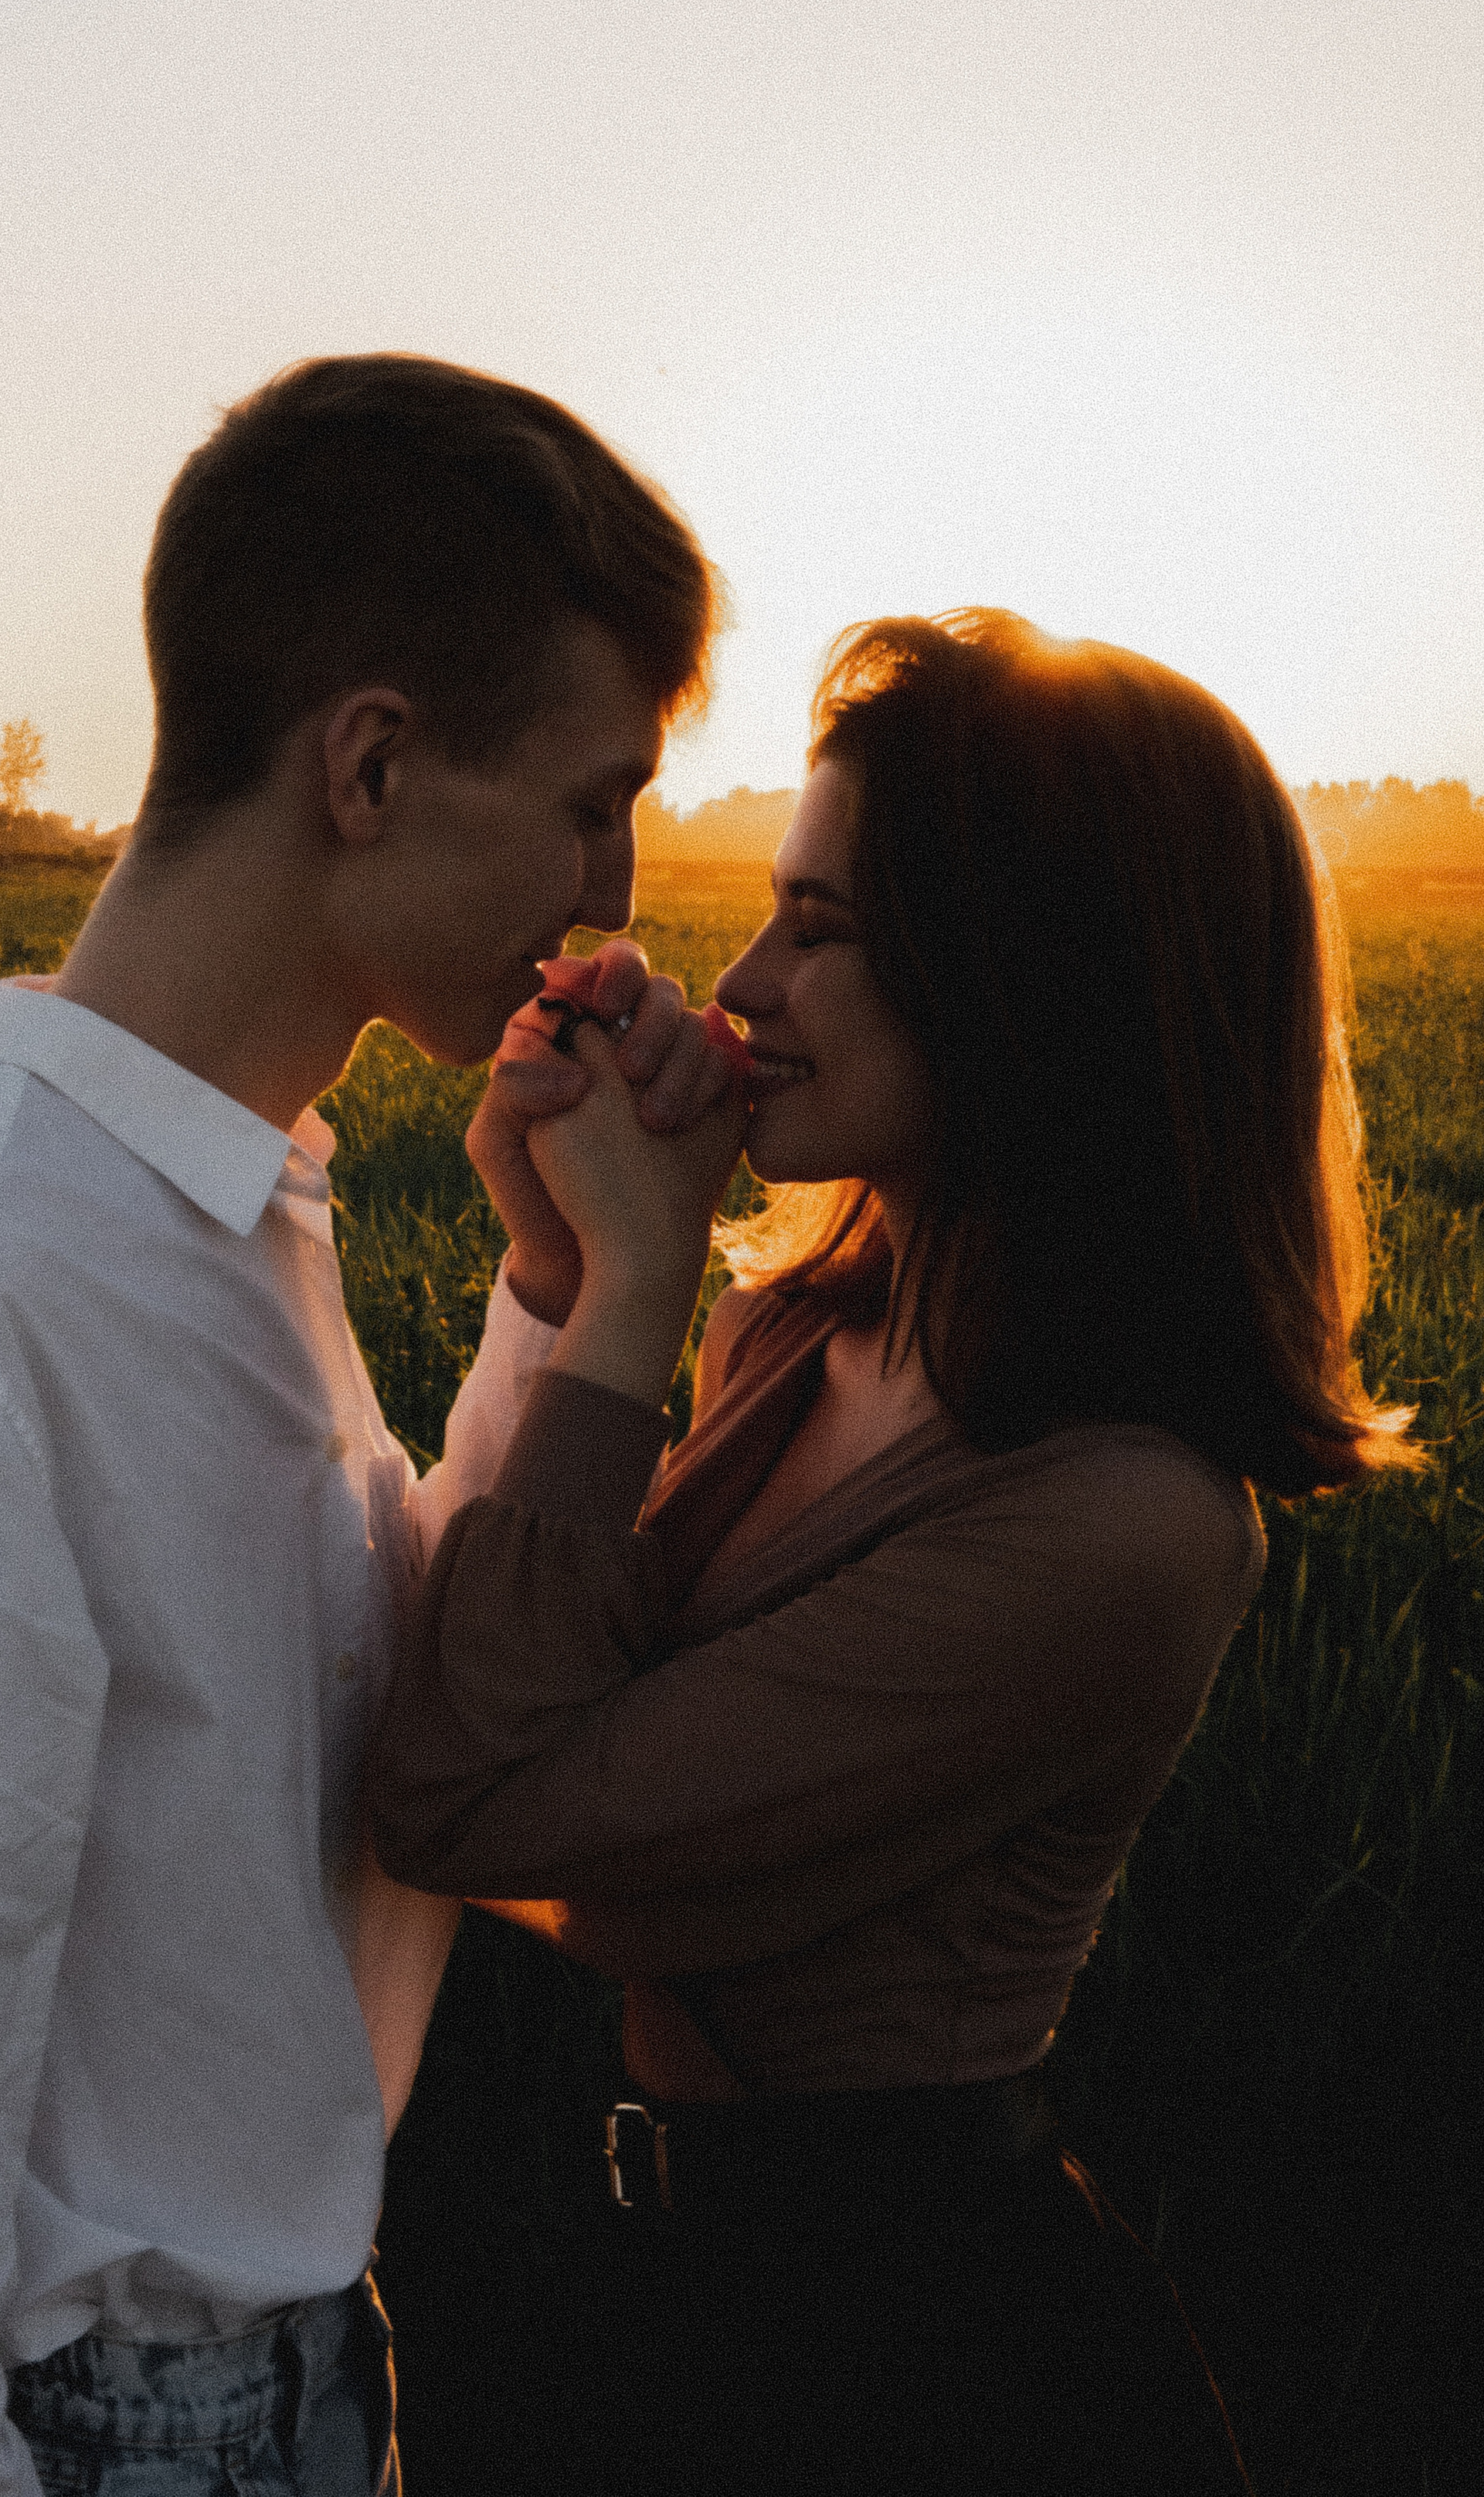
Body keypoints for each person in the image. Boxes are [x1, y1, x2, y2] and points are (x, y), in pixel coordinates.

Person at [0, 354, 743, 2496]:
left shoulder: (211, 1223)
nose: (615, 887)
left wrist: (559, 1297)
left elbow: (378, 1749)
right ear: (376, 766)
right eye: (594, 797)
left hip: (287, 2382)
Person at [368, 609, 1424, 2496]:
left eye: (825, 931)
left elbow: (482, 1802)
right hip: (674, 2291)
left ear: (1030, 978)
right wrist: (557, 1266)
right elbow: (547, 1728)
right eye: (770, 910)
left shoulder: (1121, 1527)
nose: (741, 987)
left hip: (924, 2355)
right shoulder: (793, 1335)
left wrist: (623, 1303)